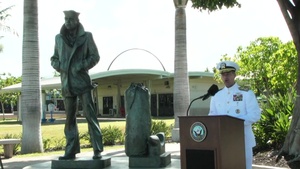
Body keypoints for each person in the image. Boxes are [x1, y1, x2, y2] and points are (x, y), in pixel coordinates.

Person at [50, 10, 103, 160]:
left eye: (71, 19)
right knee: (69, 119)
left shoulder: (87, 37)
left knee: (90, 116)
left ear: (77, 21)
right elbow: (53, 57)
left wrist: (82, 65)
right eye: (66, 19)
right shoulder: (59, 38)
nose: (68, 21)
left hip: (82, 82)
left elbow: (95, 56)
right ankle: (70, 150)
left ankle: (97, 149)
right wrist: (59, 65)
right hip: (67, 83)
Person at [209, 61, 261, 169]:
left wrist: (233, 123)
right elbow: (212, 116)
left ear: (234, 74)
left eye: (228, 73)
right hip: (223, 141)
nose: (225, 76)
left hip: (243, 141)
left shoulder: (246, 93)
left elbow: (255, 114)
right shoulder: (216, 96)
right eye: (223, 74)